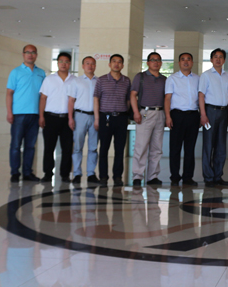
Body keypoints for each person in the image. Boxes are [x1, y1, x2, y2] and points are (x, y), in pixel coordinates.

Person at [6, 44, 46, 183]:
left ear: (36, 55)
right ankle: (15, 173)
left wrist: (42, 115)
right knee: (16, 145)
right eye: (27, 52)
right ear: (23, 54)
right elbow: (9, 93)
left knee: (30, 146)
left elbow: (43, 96)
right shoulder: (15, 72)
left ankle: (28, 172)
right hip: (19, 114)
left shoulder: (41, 73)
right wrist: (9, 112)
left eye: (33, 52)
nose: (30, 55)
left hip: (35, 114)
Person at [93, 54, 131, 186]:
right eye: (114, 61)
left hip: (121, 118)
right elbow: (96, 99)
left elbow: (128, 99)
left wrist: (126, 113)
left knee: (120, 149)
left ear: (122, 65)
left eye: (119, 62)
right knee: (104, 148)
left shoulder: (126, 81)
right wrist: (97, 118)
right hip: (105, 118)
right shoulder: (101, 80)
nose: (116, 64)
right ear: (109, 64)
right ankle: (103, 176)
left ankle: (118, 176)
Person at [130, 52, 167, 187]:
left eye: (158, 60)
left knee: (157, 148)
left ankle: (153, 176)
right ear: (147, 62)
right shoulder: (140, 77)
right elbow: (133, 95)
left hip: (160, 113)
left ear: (161, 63)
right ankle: (137, 176)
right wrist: (136, 112)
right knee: (141, 146)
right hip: (145, 113)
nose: (155, 62)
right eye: (153, 60)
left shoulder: (164, 79)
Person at [165, 52, 200, 186]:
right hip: (177, 116)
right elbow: (167, 98)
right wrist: (168, 116)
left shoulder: (197, 79)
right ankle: (175, 176)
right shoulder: (172, 79)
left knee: (190, 149)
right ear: (179, 63)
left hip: (193, 116)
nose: (186, 62)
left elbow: (201, 98)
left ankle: (188, 177)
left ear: (192, 62)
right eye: (183, 59)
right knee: (175, 148)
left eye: (188, 59)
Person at [38, 51, 75, 183]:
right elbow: (43, 98)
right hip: (50, 117)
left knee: (67, 148)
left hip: (67, 119)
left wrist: (71, 118)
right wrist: (41, 116)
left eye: (66, 62)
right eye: (61, 61)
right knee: (49, 147)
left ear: (70, 63)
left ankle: (65, 174)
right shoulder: (49, 79)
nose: (63, 64)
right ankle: (48, 173)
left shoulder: (74, 80)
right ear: (57, 63)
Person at [199, 48, 228, 188]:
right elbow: (201, 95)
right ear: (211, 59)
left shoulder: (227, 76)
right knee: (208, 145)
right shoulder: (206, 75)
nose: (218, 59)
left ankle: (218, 176)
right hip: (210, 111)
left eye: (221, 57)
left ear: (224, 60)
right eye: (215, 57)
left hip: (223, 112)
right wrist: (203, 115)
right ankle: (208, 177)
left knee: (221, 146)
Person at [67, 56, 99, 185]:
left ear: (95, 66)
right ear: (83, 66)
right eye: (87, 63)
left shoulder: (99, 82)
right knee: (77, 147)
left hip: (95, 116)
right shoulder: (76, 81)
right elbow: (71, 100)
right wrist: (70, 118)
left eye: (92, 64)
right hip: (80, 116)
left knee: (93, 147)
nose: (90, 66)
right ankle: (77, 174)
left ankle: (91, 173)